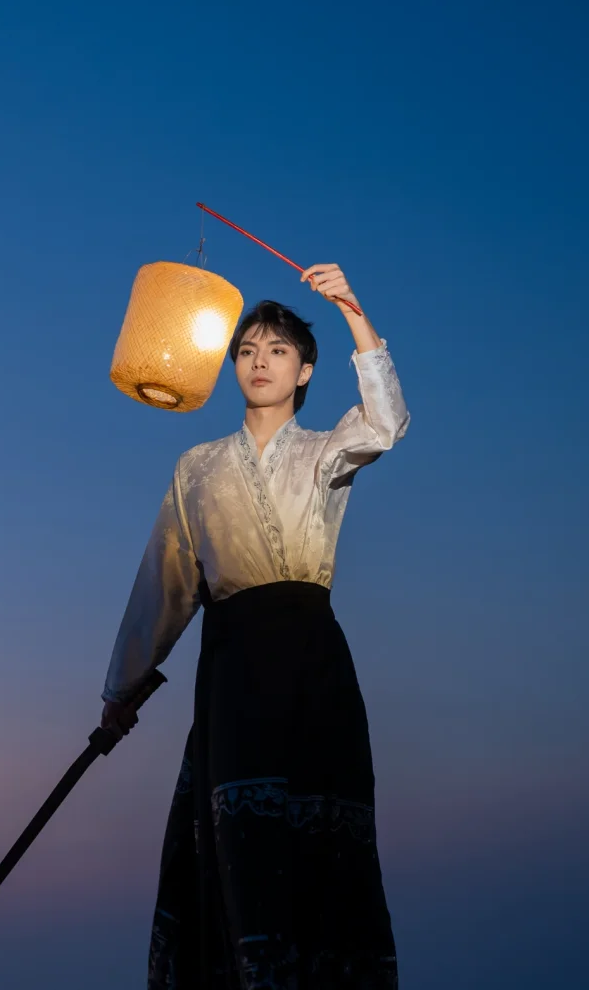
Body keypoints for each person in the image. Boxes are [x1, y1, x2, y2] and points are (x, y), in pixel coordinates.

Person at [99, 263, 409, 989]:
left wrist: (351, 310)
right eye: (246, 350)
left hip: (312, 665)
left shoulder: (326, 452)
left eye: (276, 351)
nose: (259, 361)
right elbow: (164, 585)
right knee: (239, 838)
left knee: (320, 839)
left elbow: (387, 423)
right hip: (232, 669)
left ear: (303, 372)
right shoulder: (197, 468)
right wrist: (122, 691)